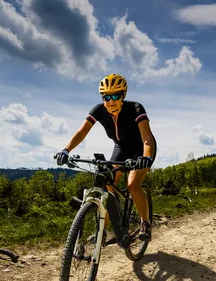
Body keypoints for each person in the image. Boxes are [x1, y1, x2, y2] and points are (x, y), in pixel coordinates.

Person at [55, 74, 156, 241]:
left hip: (141, 149)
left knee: (132, 184)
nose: (111, 101)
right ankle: (102, 231)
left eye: (116, 96)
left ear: (123, 95)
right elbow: (81, 132)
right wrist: (66, 150)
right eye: (106, 97)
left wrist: (146, 157)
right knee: (108, 186)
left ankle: (145, 222)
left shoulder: (136, 108)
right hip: (121, 149)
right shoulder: (99, 110)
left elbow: (147, 138)